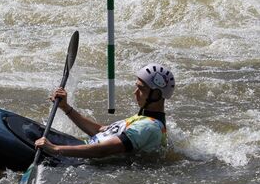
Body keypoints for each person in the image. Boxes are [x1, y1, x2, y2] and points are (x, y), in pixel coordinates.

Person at [34, 63, 175, 158]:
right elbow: (100, 131)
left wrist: (55, 149)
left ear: (156, 95)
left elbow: (103, 150)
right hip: (82, 150)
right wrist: (66, 107)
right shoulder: (142, 119)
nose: (135, 93)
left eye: (141, 89)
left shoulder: (148, 127)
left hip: (83, 161)